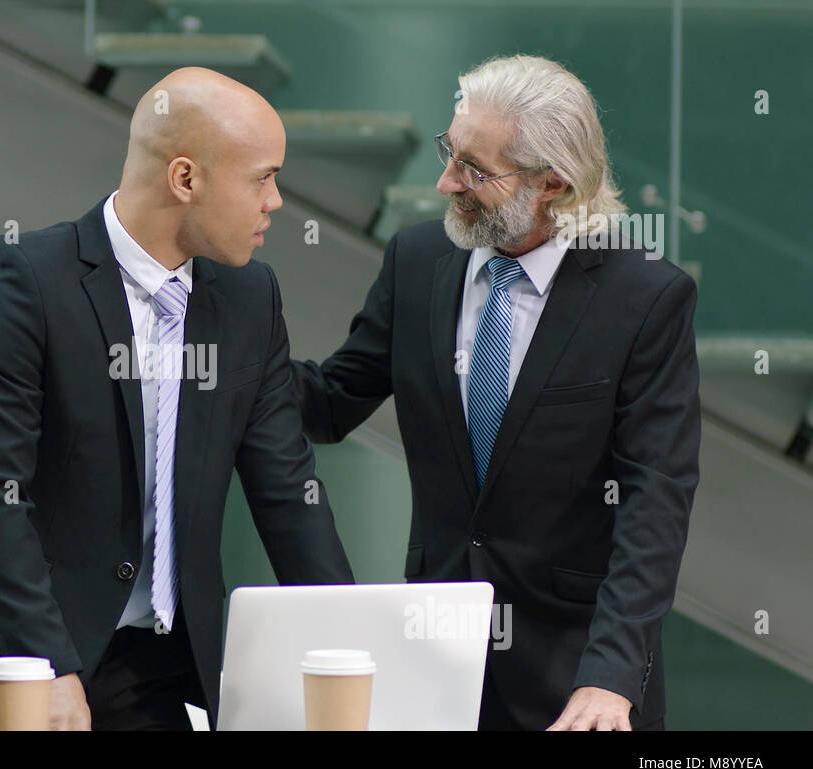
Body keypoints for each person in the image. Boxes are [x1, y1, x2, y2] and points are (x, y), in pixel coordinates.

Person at [0, 66, 354, 731]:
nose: (276, 201)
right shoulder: (28, 277)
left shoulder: (250, 299)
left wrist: (350, 648)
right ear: (185, 179)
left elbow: (288, 494)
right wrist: (45, 663)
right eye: (262, 177)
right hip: (13, 664)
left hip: (155, 674)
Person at [293, 55, 700, 731]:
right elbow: (333, 400)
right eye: (450, 153)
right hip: (432, 670)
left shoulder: (646, 298)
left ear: (555, 183)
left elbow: (654, 502)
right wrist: (230, 339)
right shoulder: (417, 261)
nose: (445, 181)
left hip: (576, 687)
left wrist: (610, 676)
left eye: (474, 169)